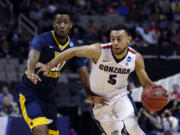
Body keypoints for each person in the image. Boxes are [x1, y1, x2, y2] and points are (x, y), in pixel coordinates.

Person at [36, 24, 169, 135]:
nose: (115, 42)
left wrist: (159, 93)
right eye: (112, 39)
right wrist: (49, 65)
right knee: (115, 132)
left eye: (119, 39)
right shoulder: (99, 50)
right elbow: (72, 51)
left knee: (133, 126)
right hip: (100, 101)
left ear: (128, 39)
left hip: (121, 96)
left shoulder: (136, 57)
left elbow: (146, 83)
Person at [16, 9, 107, 135]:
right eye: (59, 22)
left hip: (49, 97)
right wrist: (31, 71)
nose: (62, 25)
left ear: (70, 25)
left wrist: (90, 96)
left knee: (53, 133)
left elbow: (84, 76)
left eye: (66, 22)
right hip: (31, 93)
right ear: (53, 23)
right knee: (40, 129)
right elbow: (33, 56)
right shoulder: (42, 39)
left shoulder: (73, 48)